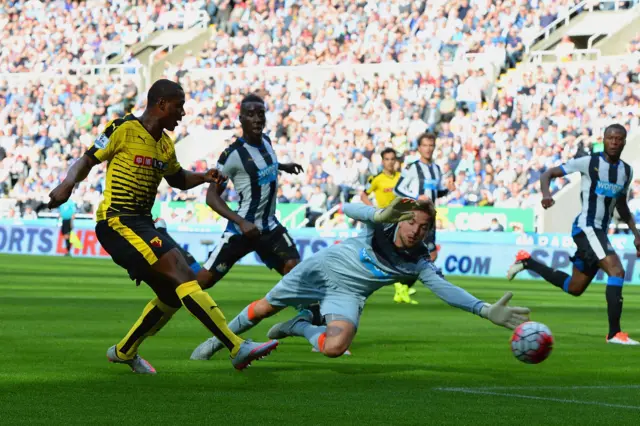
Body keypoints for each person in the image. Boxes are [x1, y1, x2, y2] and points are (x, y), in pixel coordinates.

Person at [47, 79, 278, 374]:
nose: (182, 113)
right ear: (161, 104)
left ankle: (124, 351)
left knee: (171, 295)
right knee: (182, 272)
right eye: (178, 106)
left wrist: (205, 177)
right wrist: (67, 184)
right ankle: (235, 346)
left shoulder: (165, 145)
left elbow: (177, 179)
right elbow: (87, 159)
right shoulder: (122, 129)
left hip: (143, 224)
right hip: (117, 221)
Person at [190, 198, 530, 361]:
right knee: (263, 309)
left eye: (424, 227)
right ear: (403, 219)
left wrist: (483, 309)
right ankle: (215, 342)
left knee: (335, 348)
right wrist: (378, 214)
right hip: (319, 269)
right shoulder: (384, 223)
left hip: (348, 293)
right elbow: (347, 207)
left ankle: (299, 327)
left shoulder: (418, 261)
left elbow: (445, 289)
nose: (416, 230)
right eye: (413, 222)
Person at [507, 124, 639, 345]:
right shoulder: (590, 162)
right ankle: (615, 333)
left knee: (574, 287)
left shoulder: (626, 171)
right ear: (603, 139)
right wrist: (546, 195)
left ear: (625, 142)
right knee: (616, 270)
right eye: (610, 138)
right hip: (586, 227)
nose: (614, 142)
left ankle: (528, 262)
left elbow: (622, 205)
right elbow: (547, 174)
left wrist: (636, 232)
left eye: (619, 139)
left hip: (598, 231)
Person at [197, 94, 304, 290]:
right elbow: (211, 198)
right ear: (241, 119)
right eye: (250, 114)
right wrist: (241, 222)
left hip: (269, 227)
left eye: (261, 114)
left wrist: (282, 166)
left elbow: (261, 167)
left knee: (294, 270)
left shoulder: (266, 141)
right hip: (242, 229)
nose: (257, 119)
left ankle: (312, 317)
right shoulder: (233, 155)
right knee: (203, 281)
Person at [393, 133, 452, 303]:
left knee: (427, 255)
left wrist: (448, 189)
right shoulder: (412, 168)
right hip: (415, 217)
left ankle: (403, 285)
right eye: (425, 145)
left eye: (431, 145)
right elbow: (398, 189)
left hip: (430, 218)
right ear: (419, 148)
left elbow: (437, 192)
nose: (428, 148)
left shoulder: (436, 169)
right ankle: (402, 284)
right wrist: (416, 196)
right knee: (429, 254)